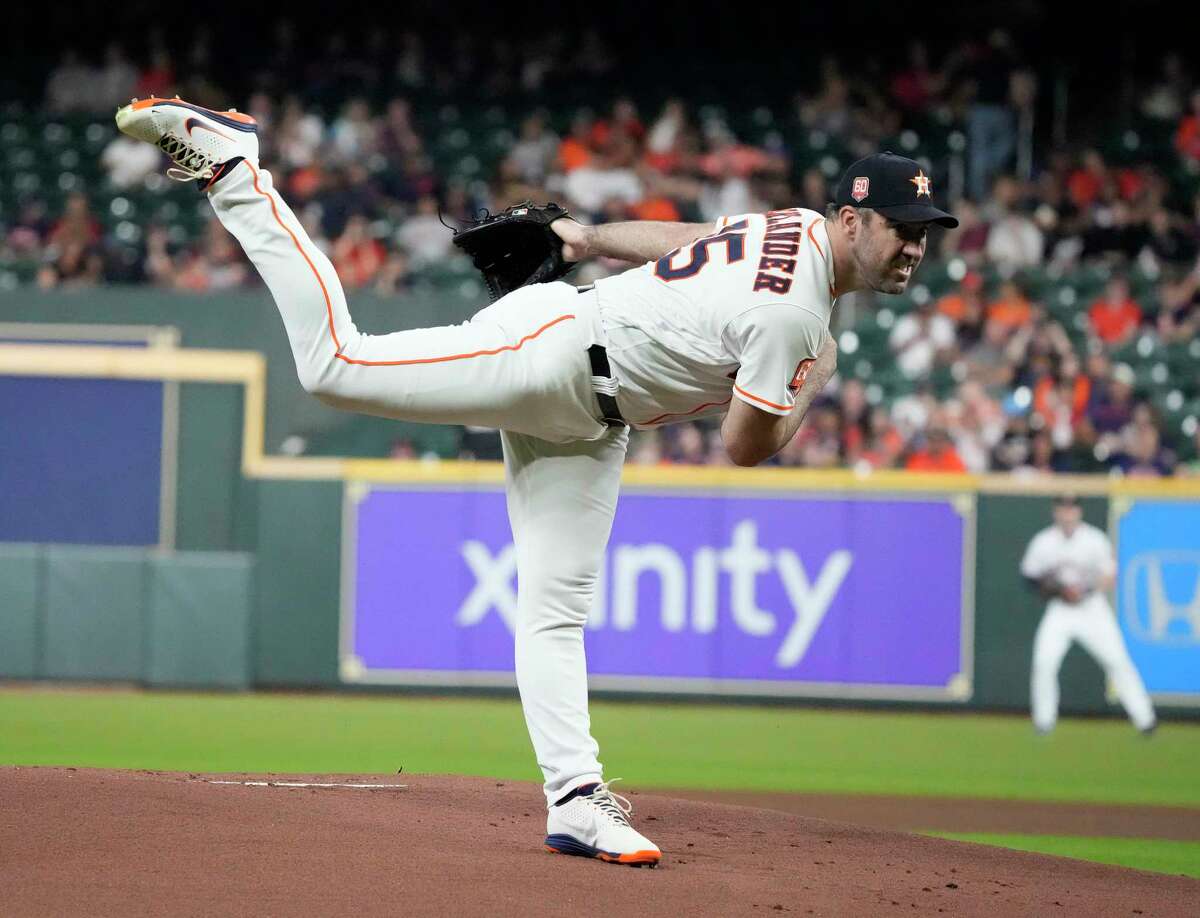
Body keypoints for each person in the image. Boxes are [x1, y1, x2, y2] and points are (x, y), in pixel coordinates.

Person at [113, 98, 956, 866]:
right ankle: (236, 169)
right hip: (553, 353)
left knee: (556, 610)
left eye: (925, 229)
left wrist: (588, 238)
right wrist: (813, 378)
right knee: (334, 363)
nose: (916, 245)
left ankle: (577, 800)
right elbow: (744, 446)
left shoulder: (798, 226)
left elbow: (690, 242)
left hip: (592, 418)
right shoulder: (798, 316)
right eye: (900, 227)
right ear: (852, 219)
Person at [1019, 495, 1156, 736]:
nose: (1067, 512)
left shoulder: (1094, 539)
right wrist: (1058, 590)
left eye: (1072, 507)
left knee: (1117, 661)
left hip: (1092, 608)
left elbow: (1109, 576)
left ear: (1079, 512)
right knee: (1044, 662)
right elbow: (1030, 577)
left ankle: (1145, 720)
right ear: (1056, 511)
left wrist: (1084, 592)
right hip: (1060, 609)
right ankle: (1044, 722)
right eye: (1063, 507)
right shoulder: (1044, 541)